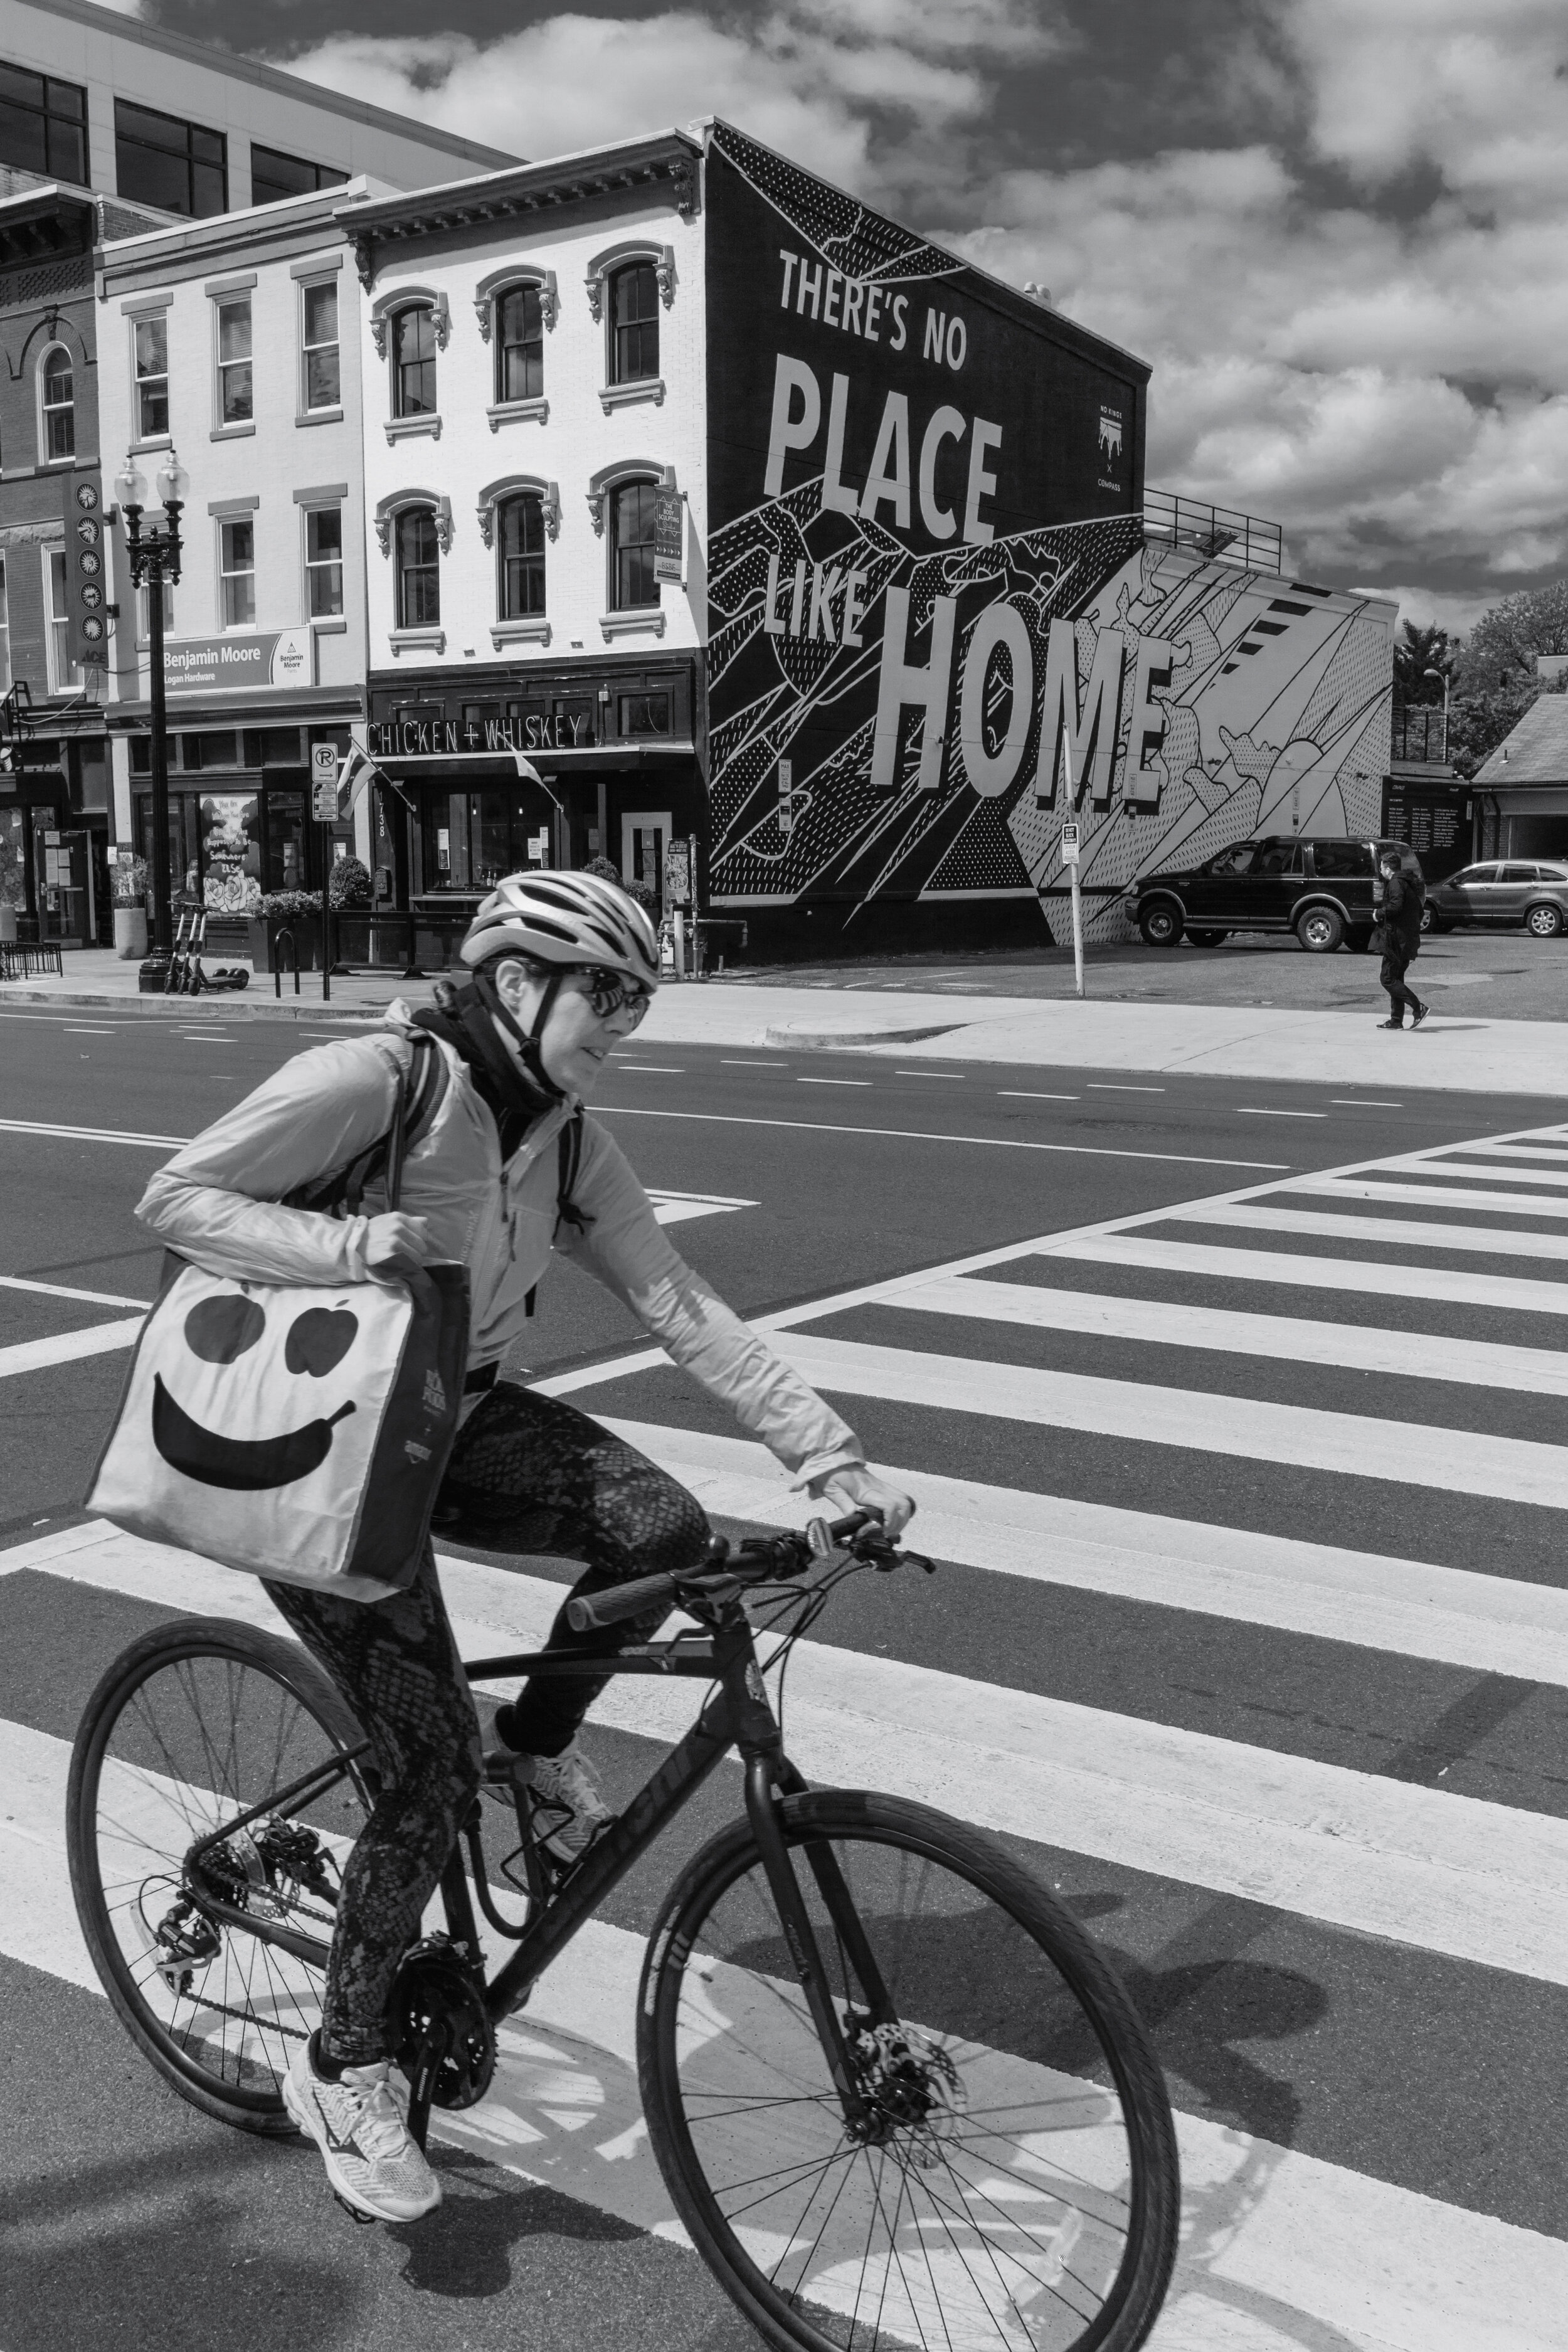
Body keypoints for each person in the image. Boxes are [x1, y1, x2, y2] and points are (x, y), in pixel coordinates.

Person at [134, 869, 912, 2227]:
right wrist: (346, 1246)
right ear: (513, 984)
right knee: (424, 1781)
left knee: (656, 1531)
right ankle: (344, 2062)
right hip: (328, 1446)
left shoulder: (564, 1139)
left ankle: (538, 1753)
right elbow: (179, 1195)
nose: (624, 1020)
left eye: (637, 999)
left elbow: (680, 1302)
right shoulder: (373, 1079)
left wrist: (827, 1454)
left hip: (459, 1418)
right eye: (602, 994)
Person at [1373, 848, 1427, 1030]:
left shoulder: (1396, 883)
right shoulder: (1408, 883)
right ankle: (1396, 1021)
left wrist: (1379, 913)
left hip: (1397, 940)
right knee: (1397, 979)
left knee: (1387, 979)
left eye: (1382, 867)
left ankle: (1418, 1007)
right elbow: (1419, 911)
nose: (1381, 871)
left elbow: (1395, 906)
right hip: (1407, 939)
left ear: (1388, 868)